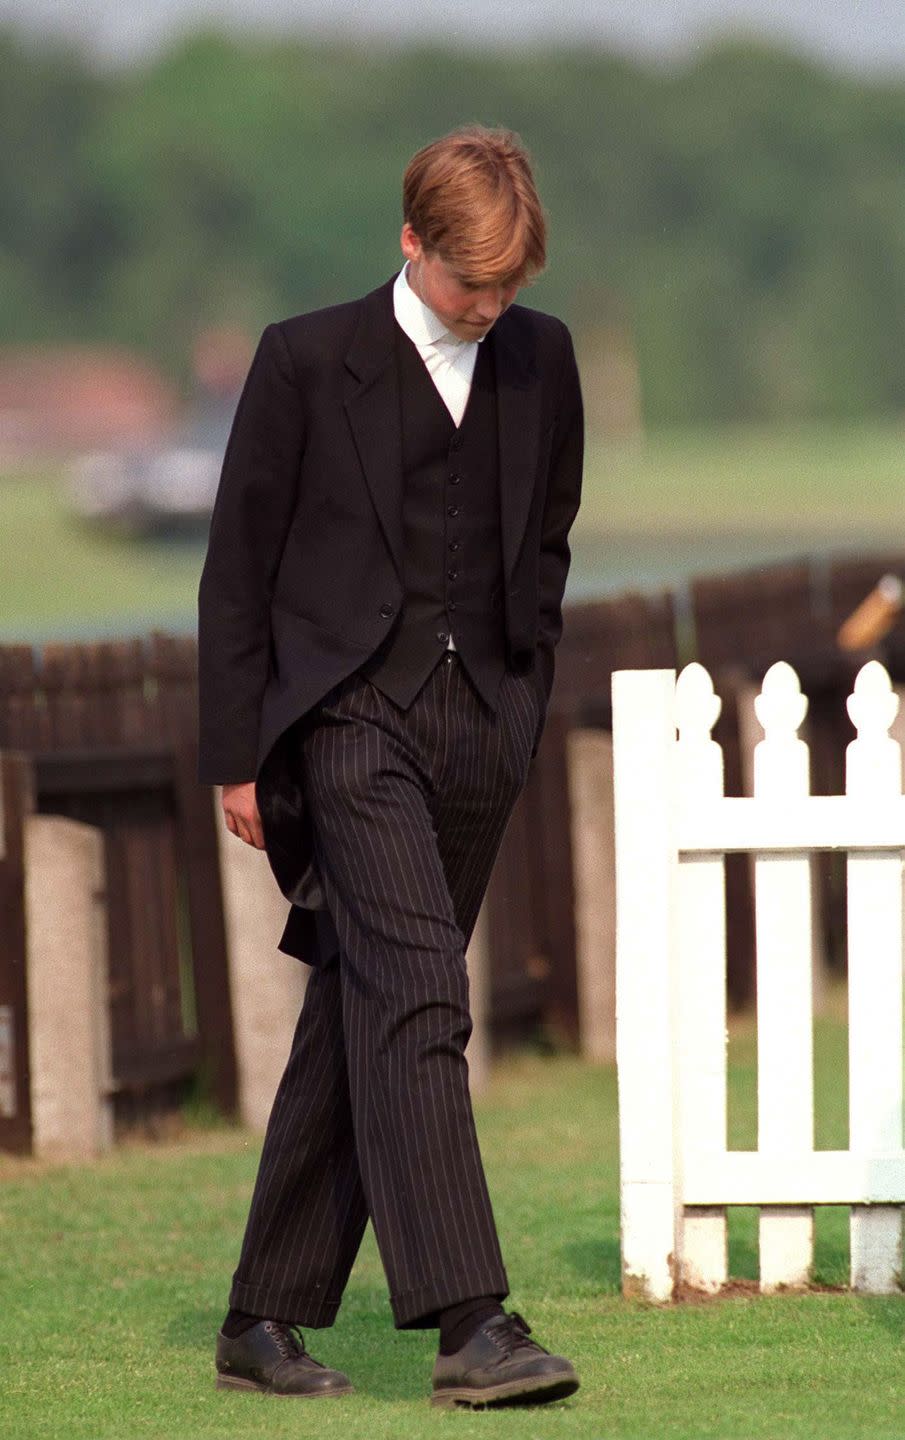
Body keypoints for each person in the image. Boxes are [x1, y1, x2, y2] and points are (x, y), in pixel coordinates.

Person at [197, 123, 584, 1408]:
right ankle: (472, 1322)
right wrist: (240, 755)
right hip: (347, 721)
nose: (487, 309)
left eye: (507, 288)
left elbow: (546, 544)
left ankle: (261, 1317)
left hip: (481, 725)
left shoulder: (545, 358)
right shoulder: (305, 361)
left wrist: (520, 699)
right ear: (409, 241)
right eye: (468, 284)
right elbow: (237, 573)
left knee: (364, 1003)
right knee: (422, 992)